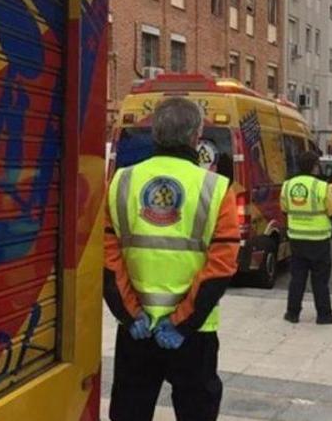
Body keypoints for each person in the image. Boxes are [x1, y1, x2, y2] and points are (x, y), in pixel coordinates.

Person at [103, 97, 240, 421]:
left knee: (130, 412)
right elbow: (221, 268)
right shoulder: (217, 188)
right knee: (196, 411)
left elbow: (108, 260)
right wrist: (181, 322)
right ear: (197, 136)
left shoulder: (120, 181)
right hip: (193, 333)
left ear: (155, 134)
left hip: (137, 330)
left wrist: (130, 315)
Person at [281, 151, 332, 325]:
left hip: (296, 239)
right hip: (318, 240)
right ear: (315, 166)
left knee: (297, 278)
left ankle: (292, 313)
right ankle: (324, 315)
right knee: (320, 280)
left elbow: (284, 210)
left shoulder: (287, 185)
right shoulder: (322, 187)